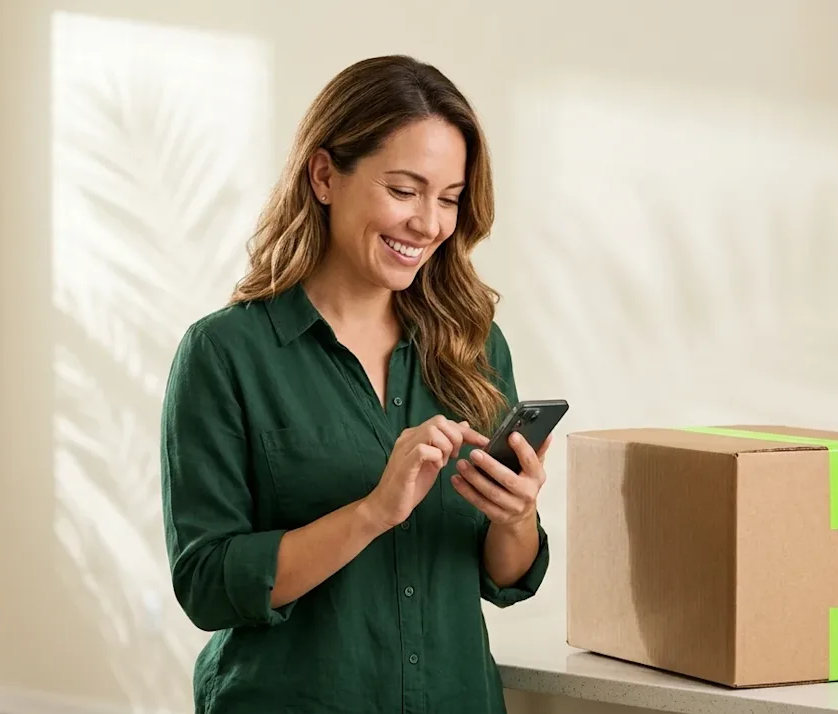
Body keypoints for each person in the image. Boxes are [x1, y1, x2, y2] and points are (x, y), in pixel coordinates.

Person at [159, 54, 551, 714]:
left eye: (449, 199)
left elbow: (503, 577)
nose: (428, 224)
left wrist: (518, 516)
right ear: (324, 176)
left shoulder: (476, 347)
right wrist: (373, 512)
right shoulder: (225, 354)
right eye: (404, 191)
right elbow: (206, 584)